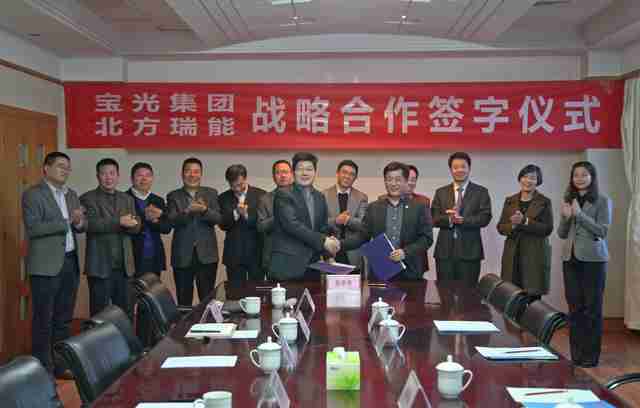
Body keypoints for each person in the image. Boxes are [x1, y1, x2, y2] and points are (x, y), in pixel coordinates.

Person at [22, 152, 85, 378]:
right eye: (60, 166)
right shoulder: (33, 194)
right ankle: (42, 369)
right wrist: (67, 221)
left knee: (64, 319)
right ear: (46, 169)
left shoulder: (72, 194)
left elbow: (80, 226)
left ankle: (61, 364)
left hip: (69, 261)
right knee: (43, 319)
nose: (65, 171)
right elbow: (34, 228)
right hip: (45, 266)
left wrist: (79, 222)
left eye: (67, 167)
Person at [558, 161, 612, 368]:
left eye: (584, 175)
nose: (579, 178)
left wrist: (579, 215)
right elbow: (562, 233)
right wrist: (566, 218)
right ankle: (576, 355)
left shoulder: (602, 200)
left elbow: (602, 231)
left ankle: (591, 356)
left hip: (593, 260)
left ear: (592, 177)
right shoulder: (568, 200)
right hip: (570, 259)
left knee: (592, 308)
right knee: (575, 308)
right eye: (576, 175)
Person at [343, 162, 433, 280]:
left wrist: (405, 252)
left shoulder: (419, 207)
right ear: (385, 181)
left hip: (410, 272)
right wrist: (339, 244)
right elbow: (362, 236)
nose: (393, 183)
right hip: (381, 271)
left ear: (406, 181)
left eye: (398, 180)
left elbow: (426, 238)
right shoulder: (374, 208)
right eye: (389, 179)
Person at [80, 158, 141, 316]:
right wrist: (119, 222)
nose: (108, 177)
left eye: (112, 173)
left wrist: (134, 224)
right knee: (99, 315)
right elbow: (90, 224)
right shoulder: (87, 198)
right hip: (100, 267)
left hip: (125, 268)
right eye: (104, 173)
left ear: (118, 176)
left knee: (126, 313)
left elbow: (136, 226)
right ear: (97, 176)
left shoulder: (127, 199)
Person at [270, 152, 339, 281]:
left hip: (313, 266)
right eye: (300, 169)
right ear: (293, 172)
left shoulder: (320, 197)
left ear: (315, 172)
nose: (305, 173)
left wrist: (328, 255)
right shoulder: (283, 194)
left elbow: (322, 228)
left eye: (309, 169)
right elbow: (292, 225)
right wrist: (324, 241)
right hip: (288, 265)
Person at [431, 152, 492, 287]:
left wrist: (463, 220)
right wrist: (449, 219)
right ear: (450, 170)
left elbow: (485, 217)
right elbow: (433, 218)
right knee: (444, 292)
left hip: (470, 252)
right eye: (455, 167)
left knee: (468, 293)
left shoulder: (481, 192)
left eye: (463, 166)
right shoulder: (440, 192)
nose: (459, 170)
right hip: (445, 253)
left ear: (469, 168)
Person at [167, 157, 221, 306]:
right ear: (182, 174)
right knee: (184, 300)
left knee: (207, 299)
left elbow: (218, 218)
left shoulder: (211, 193)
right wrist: (187, 211)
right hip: (182, 256)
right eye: (188, 171)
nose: (192, 175)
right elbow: (172, 221)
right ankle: (185, 322)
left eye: (196, 171)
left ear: (201, 174)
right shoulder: (173, 196)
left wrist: (204, 210)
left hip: (207, 255)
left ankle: (207, 321)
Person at [497, 164, 553, 299]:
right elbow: (501, 227)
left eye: (532, 178)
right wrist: (513, 225)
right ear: (520, 179)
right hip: (512, 255)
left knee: (533, 300)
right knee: (511, 297)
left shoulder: (544, 201)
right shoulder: (510, 201)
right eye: (525, 177)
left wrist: (525, 221)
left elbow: (547, 229)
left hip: (534, 255)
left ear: (538, 181)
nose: (528, 181)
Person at [218, 164, 267, 283]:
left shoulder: (261, 195)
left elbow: (263, 224)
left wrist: (246, 215)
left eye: (239, 185)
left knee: (257, 291)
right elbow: (222, 225)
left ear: (245, 178)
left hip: (256, 254)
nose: (237, 189)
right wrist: (236, 213)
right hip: (233, 254)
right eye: (233, 186)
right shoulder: (223, 198)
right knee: (235, 291)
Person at [127, 162, 172, 278]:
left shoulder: (158, 200)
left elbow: (167, 228)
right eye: (139, 175)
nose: (144, 179)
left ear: (152, 178)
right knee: (132, 289)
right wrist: (145, 218)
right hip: (131, 258)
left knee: (153, 289)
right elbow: (122, 227)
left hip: (154, 257)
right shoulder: (124, 198)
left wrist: (155, 221)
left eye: (148, 175)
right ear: (132, 178)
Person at [322, 159, 368, 270]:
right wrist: (336, 220)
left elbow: (364, 225)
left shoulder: (362, 197)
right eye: (344, 172)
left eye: (352, 174)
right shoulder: (323, 195)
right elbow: (319, 223)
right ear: (337, 173)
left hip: (352, 252)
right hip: (330, 252)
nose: (347, 176)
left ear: (355, 178)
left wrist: (347, 220)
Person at [257, 160, 293, 277]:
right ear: (273, 177)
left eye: (285, 172)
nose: (282, 175)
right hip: (274, 258)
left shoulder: (302, 196)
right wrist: (277, 217)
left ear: (291, 174)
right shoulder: (265, 199)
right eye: (278, 172)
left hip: (299, 258)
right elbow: (260, 227)